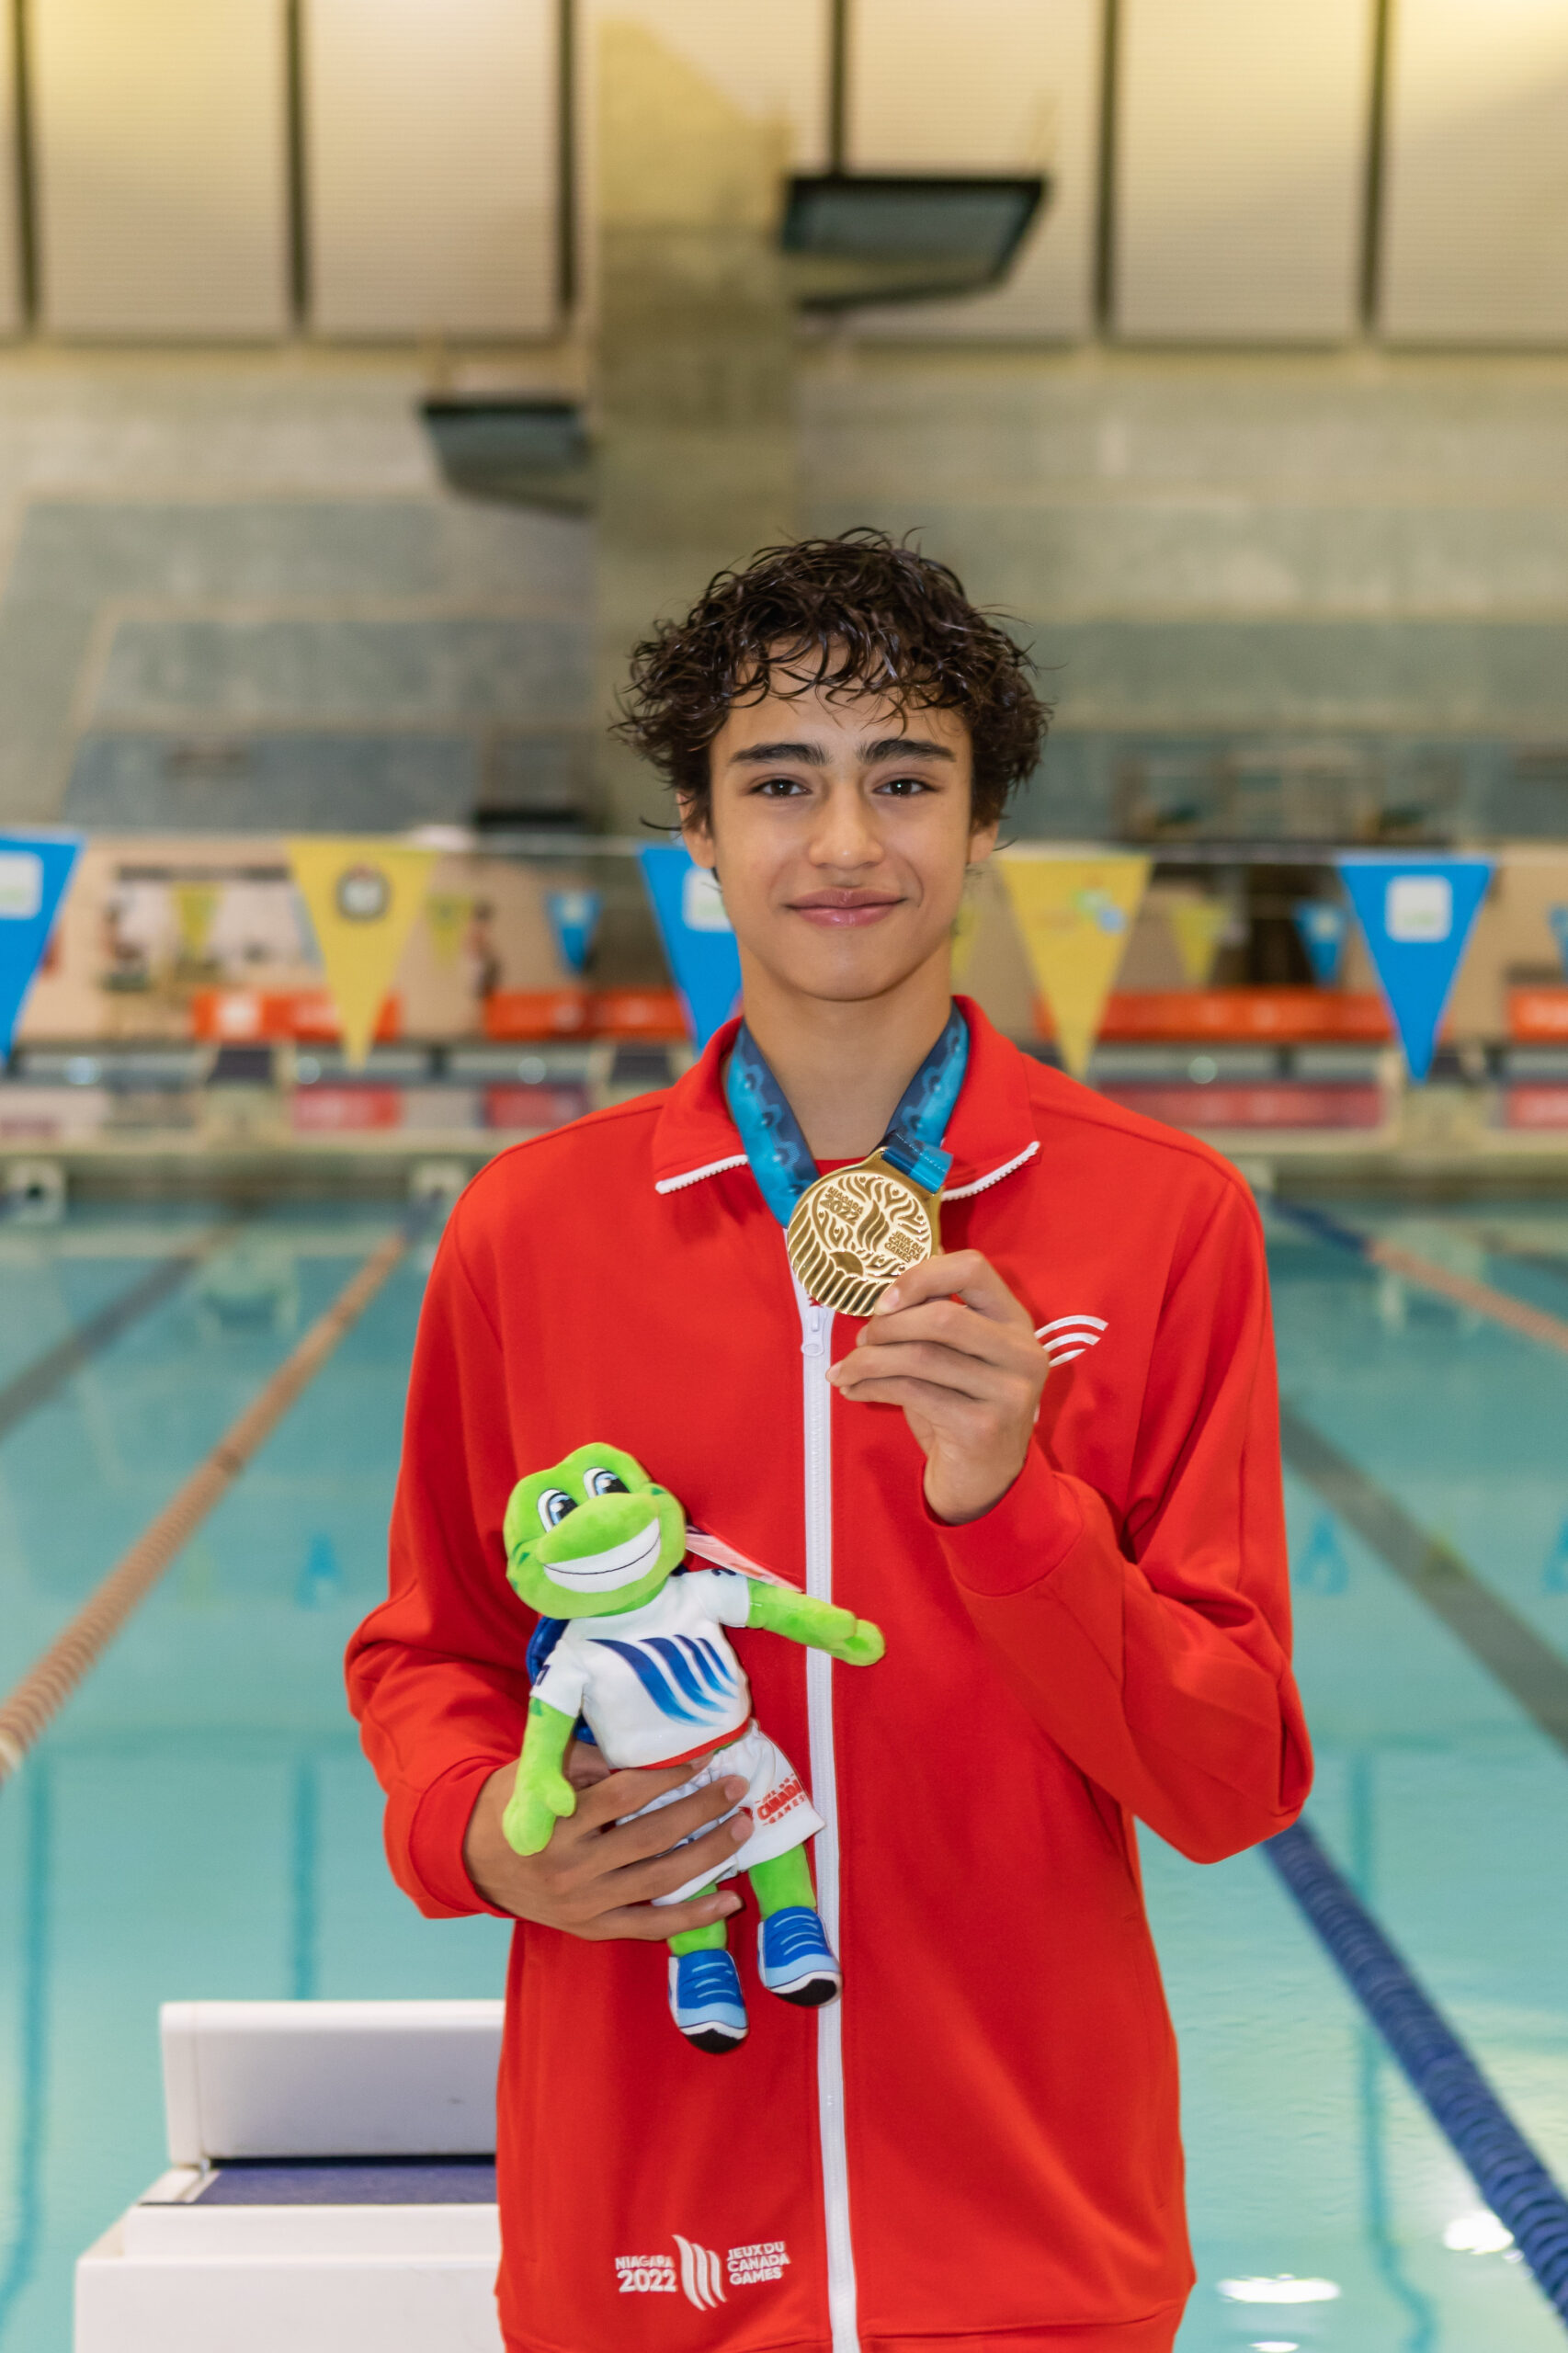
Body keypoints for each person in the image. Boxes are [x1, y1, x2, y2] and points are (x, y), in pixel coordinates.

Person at [347, 529, 1312, 2353]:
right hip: (646, 2228)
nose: (846, 842)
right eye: (780, 782)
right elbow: (432, 1650)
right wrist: (478, 1830)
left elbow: (1230, 1776)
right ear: (698, 838)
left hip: (1035, 2235)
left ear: (986, 822)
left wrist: (1009, 1507)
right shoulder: (533, 1230)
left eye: (906, 779)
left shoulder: (1159, 1219)